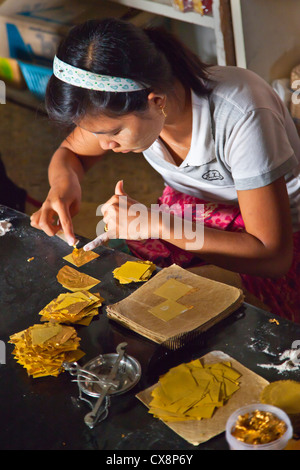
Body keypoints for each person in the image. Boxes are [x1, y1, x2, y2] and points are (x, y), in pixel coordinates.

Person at [30, 18, 300, 322]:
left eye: (113, 132)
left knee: (181, 315)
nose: (104, 145)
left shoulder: (242, 112)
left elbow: (273, 256)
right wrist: (63, 187)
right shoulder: (130, 106)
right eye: (94, 133)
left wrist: (158, 226)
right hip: (191, 216)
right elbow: (70, 154)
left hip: (272, 234)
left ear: (156, 101)